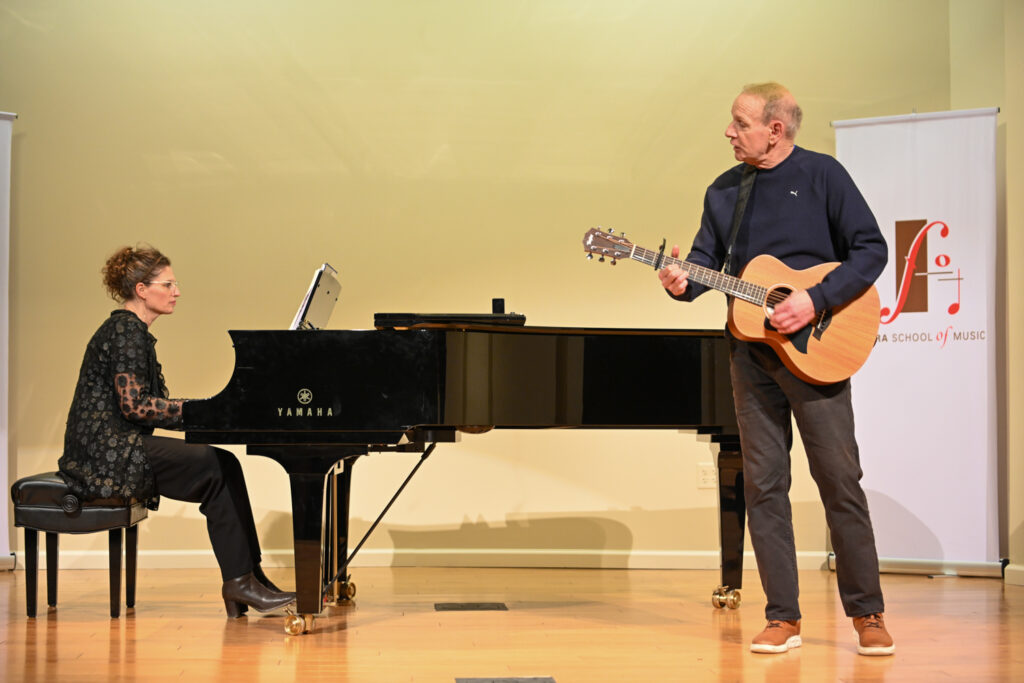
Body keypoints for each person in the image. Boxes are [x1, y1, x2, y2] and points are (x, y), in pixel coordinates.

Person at [657, 83, 894, 656]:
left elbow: (871, 249)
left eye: (740, 123)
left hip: (818, 349)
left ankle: (867, 613)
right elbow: (704, 265)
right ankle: (782, 617)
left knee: (839, 481)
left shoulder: (823, 175)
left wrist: (815, 300)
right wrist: (679, 281)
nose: (729, 132)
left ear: (775, 129)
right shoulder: (724, 191)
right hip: (750, 354)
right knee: (764, 486)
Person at [58, 245, 296, 618]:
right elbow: (135, 406)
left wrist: (198, 412)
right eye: (168, 284)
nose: (177, 292)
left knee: (223, 463)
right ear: (141, 290)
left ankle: (250, 577)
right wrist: (198, 411)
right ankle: (239, 581)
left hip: (118, 446)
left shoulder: (131, 331)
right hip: (106, 456)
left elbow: (143, 405)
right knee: (213, 466)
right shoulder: (125, 330)